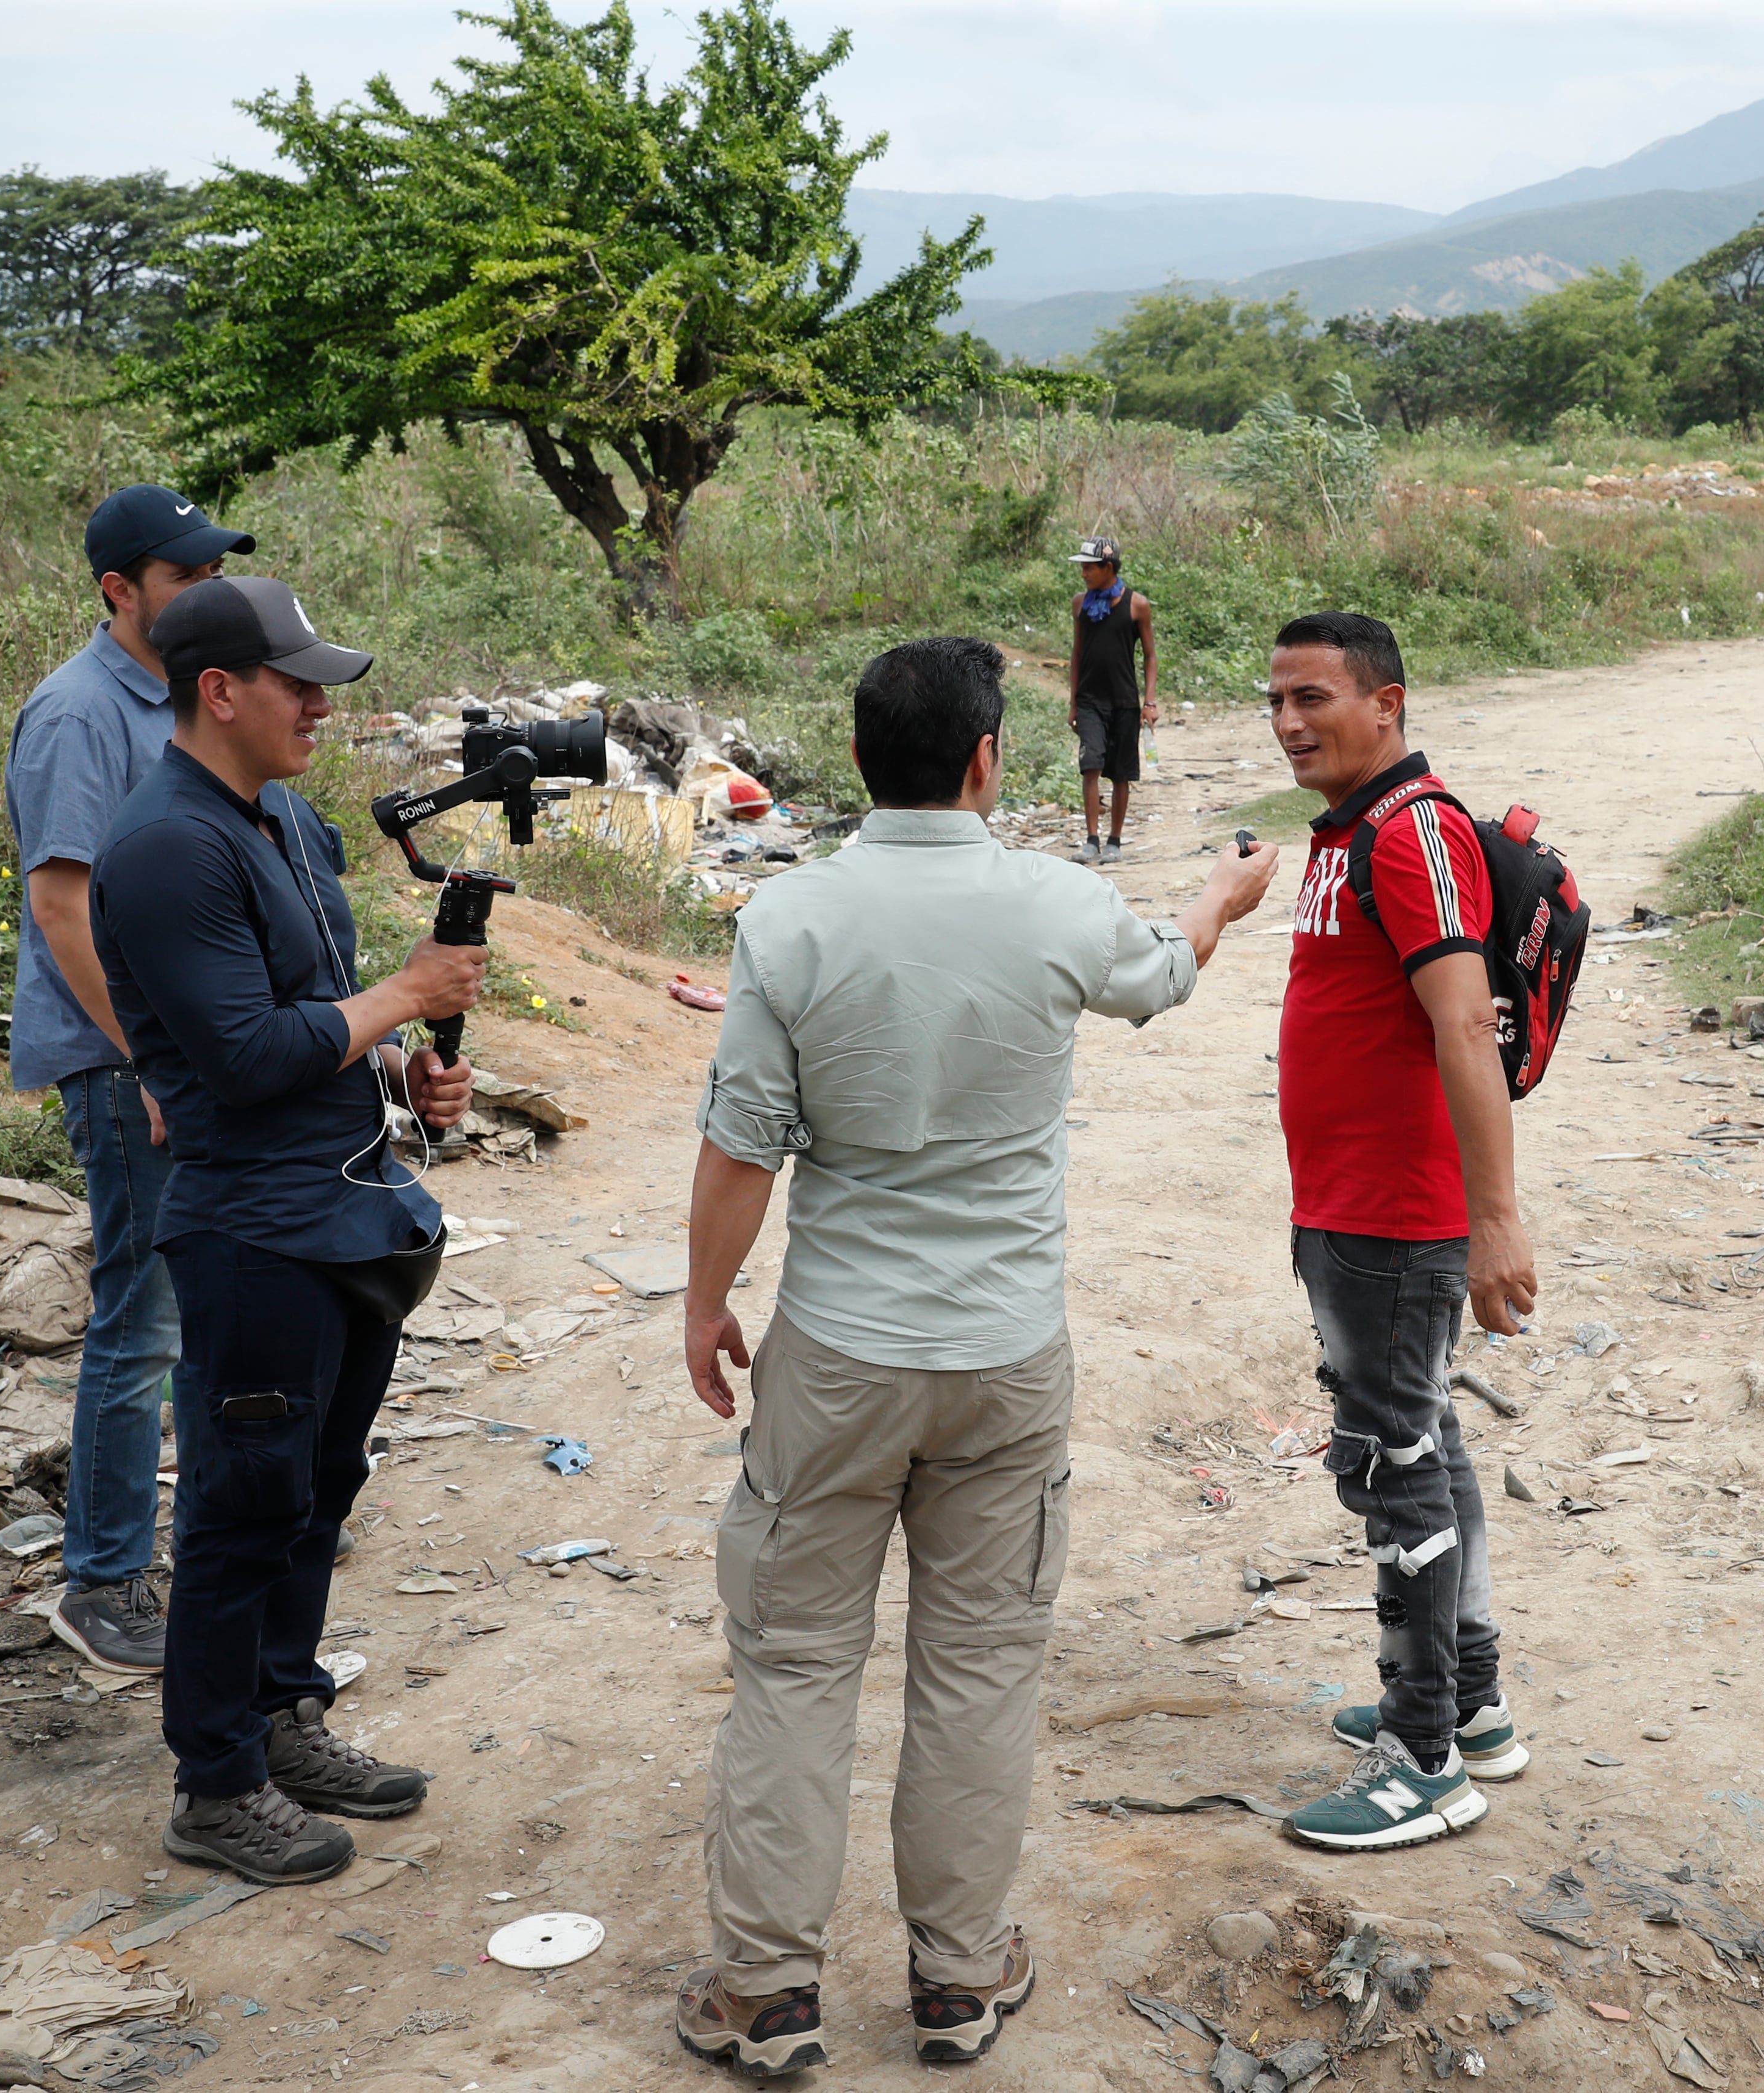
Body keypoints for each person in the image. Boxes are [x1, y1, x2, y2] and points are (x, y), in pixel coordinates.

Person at [678, 636, 1278, 2075]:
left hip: (835, 1354)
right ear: (987, 759)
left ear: (865, 756)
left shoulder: (791, 922)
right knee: (978, 1669)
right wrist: (1222, 900)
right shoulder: (1055, 905)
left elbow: (741, 1147)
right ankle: (956, 1976)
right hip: (1007, 1355)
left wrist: (704, 1305)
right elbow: (1160, 983)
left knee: (797, 1664)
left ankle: (764, 1991)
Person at [90, 575, 484, 1887]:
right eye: (298, 681)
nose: (322, 703)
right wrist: (405, 991)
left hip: (341, 1210)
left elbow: (322, 1016)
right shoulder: (164, 848)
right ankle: (216, 1779)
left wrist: (408, 1072)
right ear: (218, 690)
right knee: (240, 1500)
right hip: (253, 1229)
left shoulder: (287, 825)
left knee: (320, 1483)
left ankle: (282, 1712)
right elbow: (251, 1056)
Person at [1264, 610, 1537, 1854]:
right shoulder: (1346, 833)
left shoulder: (1413, 831)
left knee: (1390, 1466)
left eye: (1315, 697)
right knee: (1424, 1440)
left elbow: (1463, 1025)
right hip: (1346, 1202)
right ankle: (1465, 1705)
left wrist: (1494, 1220)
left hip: (1394, 1215)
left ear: (1389, 703)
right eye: (1277, 700)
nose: (1290, 721)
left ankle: (1421, 1756)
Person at [4, 484, 254, 1674]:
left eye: (214, 572)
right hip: (122, 1063)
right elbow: (63, 906)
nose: (207, 591)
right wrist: (154, 1055)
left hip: (181, 1055)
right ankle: (100, 1584)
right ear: (121, 590)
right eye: (184, 576)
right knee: (140, 1317)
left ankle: (190, 1550)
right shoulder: (76, 715)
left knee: (202, 1305)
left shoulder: (181, 700)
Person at [1064, 535, 1157, 865]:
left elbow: (1149, 656)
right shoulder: (1080, 604)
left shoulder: (1137, 605)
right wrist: (1074, 701)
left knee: (1121, 774)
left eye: (1089, 568)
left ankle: (1114, 842)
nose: (1084, 574)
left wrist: (1149, 702)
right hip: (1090, 701)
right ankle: (1091, 840)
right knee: (1090, 767)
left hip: (1124, 703)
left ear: (1108, 567)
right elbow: (1077, 654)